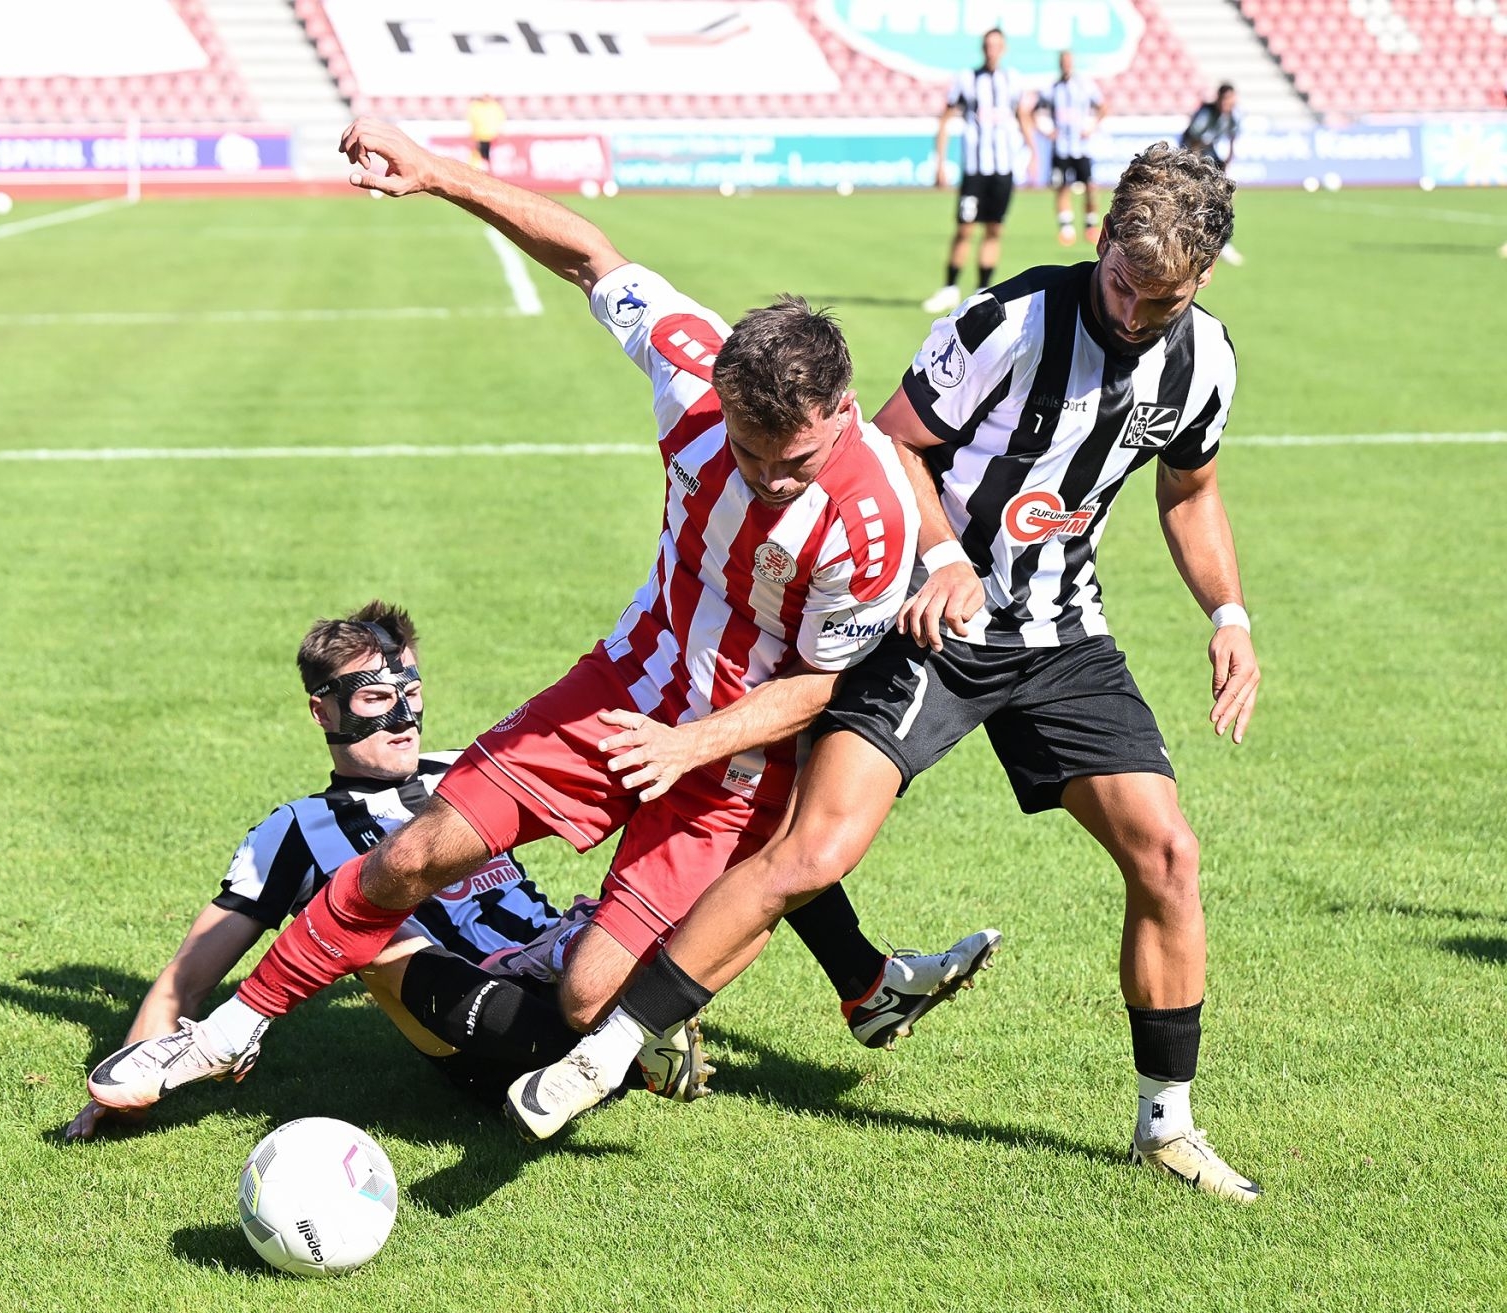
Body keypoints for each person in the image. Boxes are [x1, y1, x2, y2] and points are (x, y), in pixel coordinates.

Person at [84, 117, 1000, 1117]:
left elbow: (821, 684)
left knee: (588, 995)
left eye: (799, 461)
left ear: (844, 412)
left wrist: (689, 744)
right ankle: (229, 1029)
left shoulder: (873, 519)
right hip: (624, 683)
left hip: (732, 756)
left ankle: (673, 968)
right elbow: (590, 257)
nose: (772, 479)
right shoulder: (691, 368)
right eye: (750, 453)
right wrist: (438, 174)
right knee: (413, 853)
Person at [514, 144, 1264, 1207]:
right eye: (1120, 286)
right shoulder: (1008, 322)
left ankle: (1166, 1126)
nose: (1134, 314)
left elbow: (1189, 492)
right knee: (812, 849)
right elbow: (894, 443)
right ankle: (607, 1051)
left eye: (1162, 300)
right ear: (1098, 240)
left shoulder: (1207, 361)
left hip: (1061, 634)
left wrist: (1228, 614)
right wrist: (947, 557)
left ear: (1205, 278)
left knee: (1169, 852)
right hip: (927, 621)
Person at [69, 601, 600, 1139]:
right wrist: (125, 1094)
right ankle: (598, 1055)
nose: (404, 718)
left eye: (412, 693)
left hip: (571, 971)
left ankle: (609, 1042)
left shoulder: (470, 768)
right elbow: (185, 978)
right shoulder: (297, 830)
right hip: (484, 1043)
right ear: (322, 711)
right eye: (376, 698)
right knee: (376, 928)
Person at [923, 28, 1039, 315]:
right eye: (988, 45)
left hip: (1002, 170)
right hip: (975, 170)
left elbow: (1023, 117)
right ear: (982, 48)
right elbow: (946, 119)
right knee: (964, 228)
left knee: (994, 228)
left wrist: (1034, 154)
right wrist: (940, 162)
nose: (992, 50)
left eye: (997, 45)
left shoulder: (1013, 80)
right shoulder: (966, 79)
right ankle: (950, 287)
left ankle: (981, 290)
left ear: (1003, 49)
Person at [1040, 50, 1106, 247]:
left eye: (1069, 61)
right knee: (1062, 186)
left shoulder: (1085, 86)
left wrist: (1092, 126)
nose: (1066, 65)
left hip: (1081, 148)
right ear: (1060, 64)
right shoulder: (1052, 88)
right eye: (1063, 62)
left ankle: (1090, 225)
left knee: (1090, 186)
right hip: (1061, 148)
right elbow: (1036, 111)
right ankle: (1066, 228)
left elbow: (1103, 107)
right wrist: (1047, 129)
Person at [1182, 84, 1243, 267]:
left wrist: (1226, 165)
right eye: (1225, 99)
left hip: (1211, 154)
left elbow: (1232, 140)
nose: (1227, 103)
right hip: (1194, 154)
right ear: (1218, 99)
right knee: (1195, 198)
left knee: (1227, 195)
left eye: (1230, 100)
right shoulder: (1206, 114)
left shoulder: (1232, 116)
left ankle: (1224, 242)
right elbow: (1192, 139)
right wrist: (1195, 167)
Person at [468, 93, 506, 172]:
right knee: (478, 153)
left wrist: (498, 131)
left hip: (491, 135)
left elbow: (500, 119)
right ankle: (476, 169)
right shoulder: (476, 106)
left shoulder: (495, 106)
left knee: (490, 154)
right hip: (479, 135)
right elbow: (472, 119)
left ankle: (489, 169)